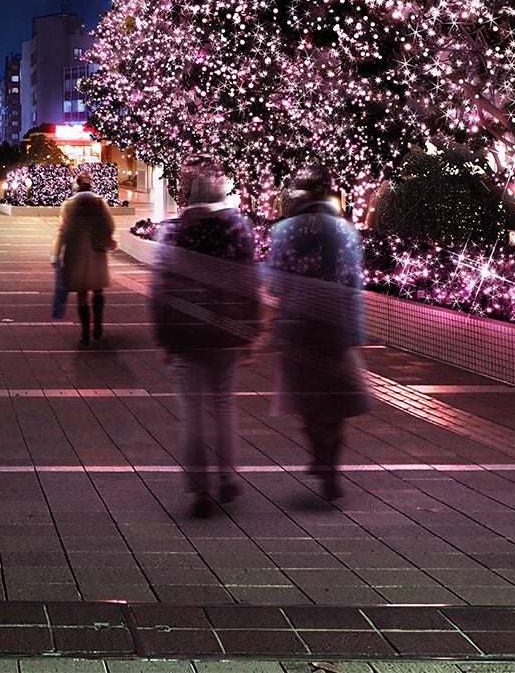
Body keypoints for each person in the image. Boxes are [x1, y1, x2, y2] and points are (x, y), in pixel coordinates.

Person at [149, 155, 262, 518]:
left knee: (193, 411)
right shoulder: (237, 229)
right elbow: (249, 281)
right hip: (225, 331)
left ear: (185, 191)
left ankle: (199, 489)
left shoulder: (174, 231)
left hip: (185, 334)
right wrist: (251, 332)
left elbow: (160, 288)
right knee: (224, 404)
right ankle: (227, 477)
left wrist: (163, 339)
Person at [265, 164, 373, 502]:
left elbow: (275, 284)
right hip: (336, 325)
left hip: (297, 326)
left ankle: (317, 452)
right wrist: (356, 332)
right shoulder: (345, 231)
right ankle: (331, 467)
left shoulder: (284, 231)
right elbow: (354, 284)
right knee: (336, 400)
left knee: (305, 398)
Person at [53, 171, 115, 347]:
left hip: (75, 253)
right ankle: (98, 324)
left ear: (76, 185)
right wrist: (102, 237)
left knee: (81, 294)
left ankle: (85, 333)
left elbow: (62, 231)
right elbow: (110, 226)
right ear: (91, 184)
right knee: (98, 290)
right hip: (97, 252)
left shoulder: (69, 205)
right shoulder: (100, 203)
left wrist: (55, 254)